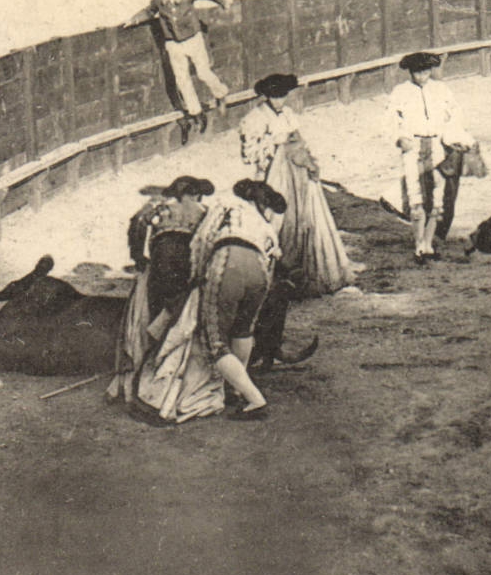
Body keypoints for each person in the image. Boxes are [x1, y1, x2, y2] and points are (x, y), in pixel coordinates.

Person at [239, 73, 355, 297]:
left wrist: (306, 158)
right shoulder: (254, 118)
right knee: (275, 219)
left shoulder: (289, 114)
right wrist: (275, 146)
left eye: (282, 96)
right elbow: (249, 154)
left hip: (297, 174)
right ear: (266, 96)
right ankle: (270, 278)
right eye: (274, 96)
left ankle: (299, 274)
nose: (279, 101)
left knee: (302, 218)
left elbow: (300, 141)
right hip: (272, 176)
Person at [191, 178, 289, 421]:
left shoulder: (226, 205)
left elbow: (202, 240)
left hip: (228, 262)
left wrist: (197, 273)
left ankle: (255, 399)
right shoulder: (264, 222)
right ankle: (236, 389)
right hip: (259, 271)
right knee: (243, 330)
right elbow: (273, 254)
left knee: (214, 340)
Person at [113, 175, 215, 405]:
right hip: (184, 262)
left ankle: (149, 358)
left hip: (160, 261)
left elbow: (137, 222)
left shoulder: (159, 206)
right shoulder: (204, 210)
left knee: (156, 308)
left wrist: (138, 257)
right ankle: (169, 363)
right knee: (180, 309)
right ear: (196, 193)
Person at [386, 51, 474, 262]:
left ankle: (428, 244)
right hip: (414, 145)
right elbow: (390, 119)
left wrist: (453, 136)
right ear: (410, 72)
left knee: (436, 199)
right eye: (417, 71)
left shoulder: (441, 89)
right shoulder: (400, 92)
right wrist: (400, 138)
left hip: (437, 145)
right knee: (416, 197)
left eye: (426, 71)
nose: (422, 75)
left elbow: (456, 115)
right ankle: (418, 245)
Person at [122, 0, 231, 138]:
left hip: (193, 39)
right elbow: (149, 11)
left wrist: (223, 2)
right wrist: (134, 19)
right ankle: (196, 113)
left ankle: (221, 94)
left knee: (203, 73)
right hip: (173, 43)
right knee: (182, 80)